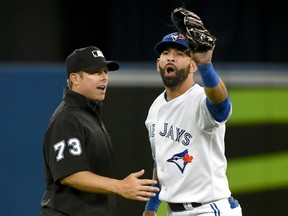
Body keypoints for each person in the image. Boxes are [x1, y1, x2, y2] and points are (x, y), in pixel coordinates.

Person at [40, 46, 159, 216]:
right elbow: (70, 173)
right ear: (75, 78)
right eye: (95, 72)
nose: (104, 78)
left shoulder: (88, 115)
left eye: (105, 72)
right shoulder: (67, 118)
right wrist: (120, 186)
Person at [142, 32, 242, 216]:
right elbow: (160, 162)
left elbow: (222, 107)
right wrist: (151, 208)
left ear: (193, 65)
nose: (171, 57)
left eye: (180, 54)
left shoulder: (201, 99)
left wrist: (207, 67)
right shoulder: (155, 107)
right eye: (166, 53)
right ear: (158, 64)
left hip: (209, 209)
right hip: (173, 210)